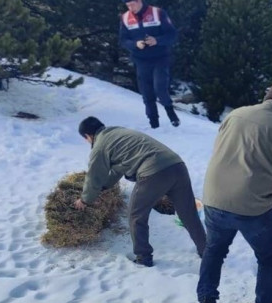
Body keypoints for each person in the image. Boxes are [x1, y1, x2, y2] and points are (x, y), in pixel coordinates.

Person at [196, 82, 272, 303]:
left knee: (214, 250)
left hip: (214, 195)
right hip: (252, 204)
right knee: (269, 258)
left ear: (265, 98)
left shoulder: (235, 114)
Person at [74, 117, 206, 266]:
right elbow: (119, 168)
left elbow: (94, 175)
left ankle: (143, 257)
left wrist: (85, 199)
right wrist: (104, 187)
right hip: (177, 166)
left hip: (153, 172)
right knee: (188, 213)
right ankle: (206, 251)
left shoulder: (99, 146)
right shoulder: (119, 133)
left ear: (88, 136)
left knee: (136, 215)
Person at [119, 0, 180, 129]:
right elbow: (123, 40)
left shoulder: (157, 13)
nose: (131, 8)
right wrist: (135, 44)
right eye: (128, 5)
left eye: (133, 4)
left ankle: (171, 113)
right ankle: (154, 123)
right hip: (141, 59)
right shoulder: (125, 18)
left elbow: (172, 34)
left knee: (160, 88)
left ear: (139, 1)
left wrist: (157, 40)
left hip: (160, 57)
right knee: (146, 92)